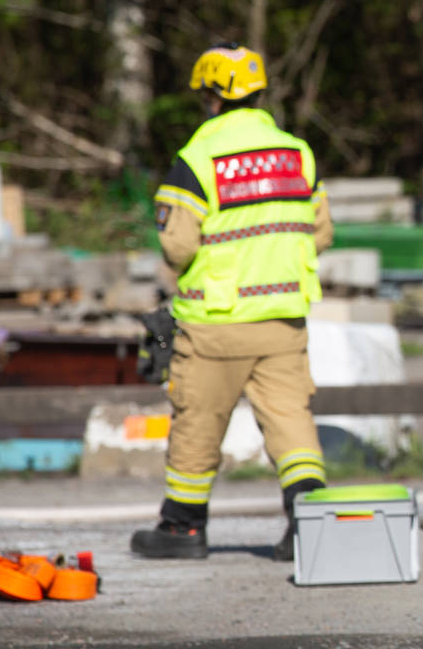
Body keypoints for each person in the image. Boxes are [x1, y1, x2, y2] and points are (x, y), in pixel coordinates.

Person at [133, 43, 333, 561]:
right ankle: (310, 525)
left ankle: (182, 529)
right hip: (283, 320)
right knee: (292, 423)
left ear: (213, 96)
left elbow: (177, 246)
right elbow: (322, 233)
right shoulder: (298, 153)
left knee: (198, 420)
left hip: (215, 324)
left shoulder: (197, 159)